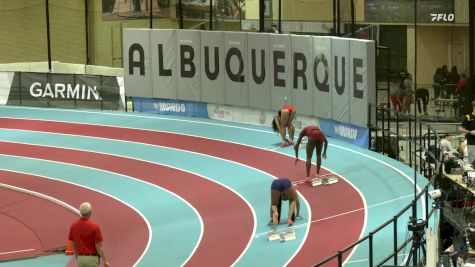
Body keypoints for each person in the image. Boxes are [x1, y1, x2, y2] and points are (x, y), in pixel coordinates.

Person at [68, 202, 110, 267]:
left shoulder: (73, 226)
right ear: (90, 212)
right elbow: (99, 246)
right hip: (92, 258)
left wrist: (77, 255)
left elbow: (72, 243)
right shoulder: (94, 227)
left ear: (80, 212)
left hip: (80, 259)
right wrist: (105, 261)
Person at [459, 101, 475, 166]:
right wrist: (470, 132)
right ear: (473, 107)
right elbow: (460, 129)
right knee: (471, 162)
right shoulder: (468, 117)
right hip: (471, 142)